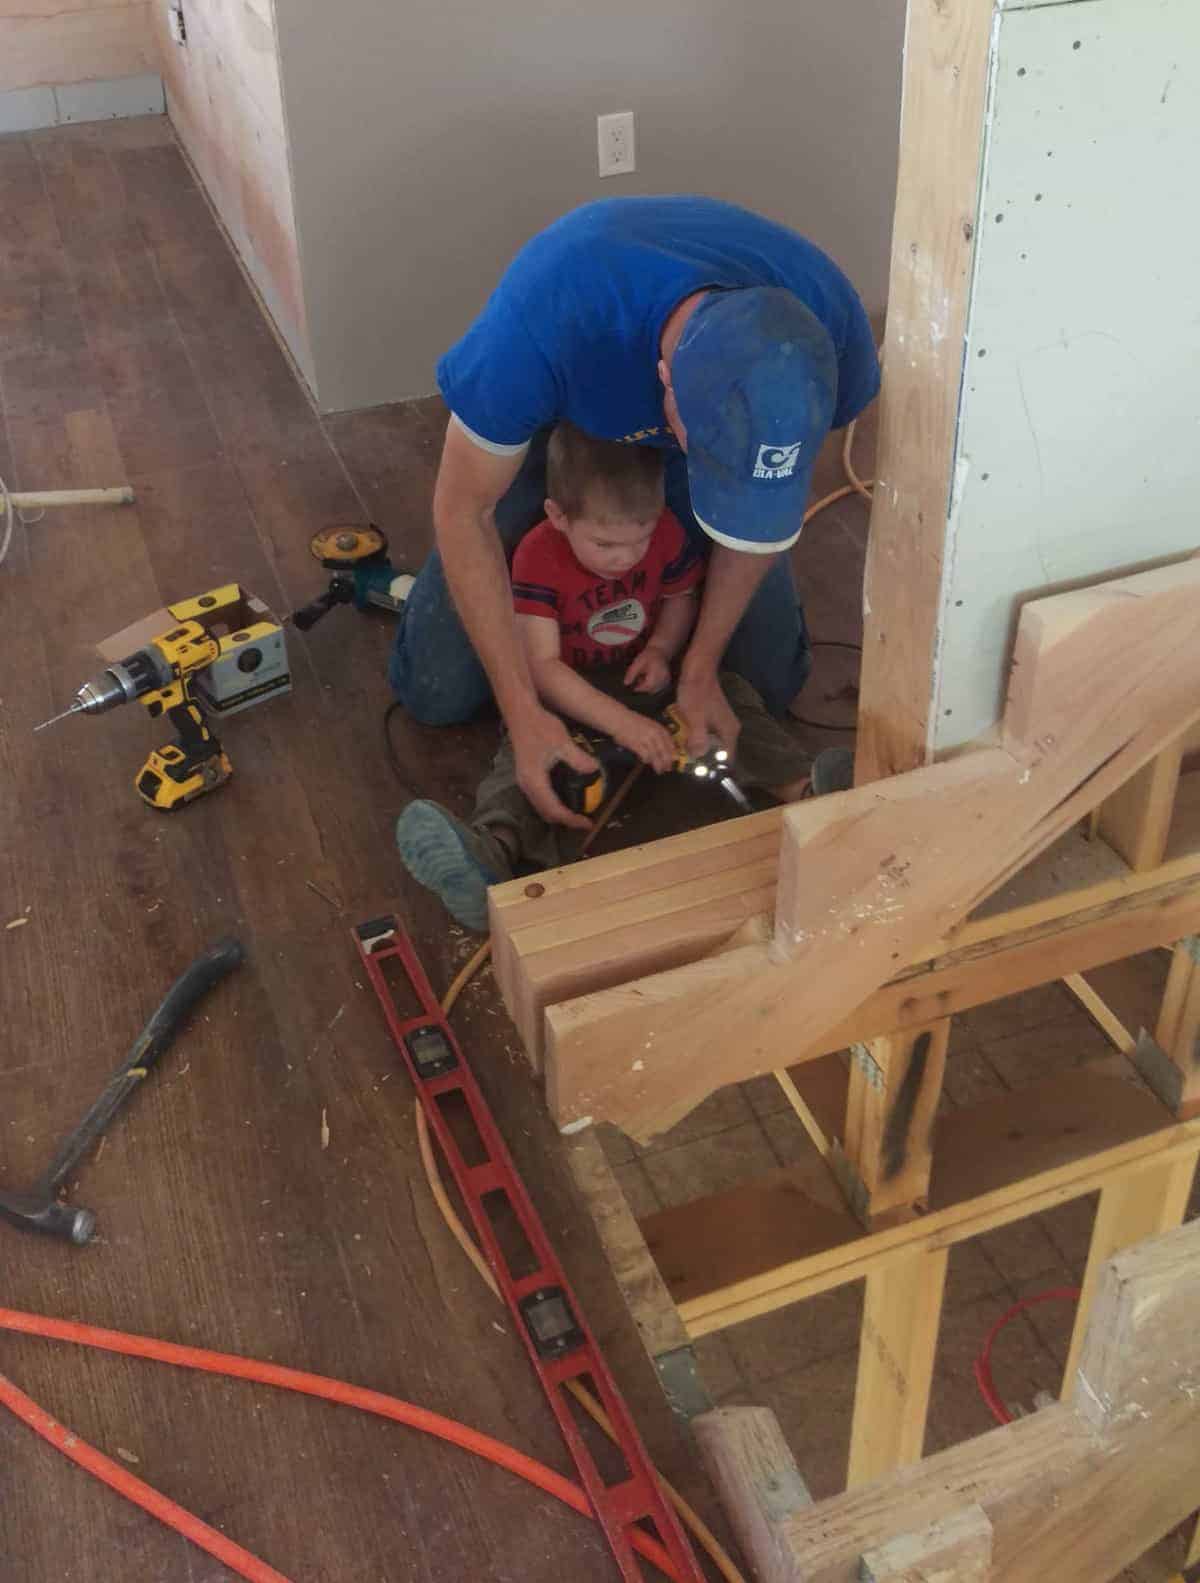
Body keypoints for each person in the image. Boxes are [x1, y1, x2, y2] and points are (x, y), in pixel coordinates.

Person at [388, 195, 880, 830]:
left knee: (772, 679)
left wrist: (698, 666)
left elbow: (765, 495)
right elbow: (463, 511)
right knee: (437, 690)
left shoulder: (828, 331)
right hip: (561, 439)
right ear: (666, 386)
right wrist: (523, 712)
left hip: (686, 435)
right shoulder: (545, 318)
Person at [396, 424, 835, 931]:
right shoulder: (536, 556)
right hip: (571, 696)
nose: (625, 558)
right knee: (531, 756)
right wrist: (623, 724)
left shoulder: (665, 530)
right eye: (605, 544)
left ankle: (809, 792)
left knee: (734, 698)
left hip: (646, 681)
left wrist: (662, 649)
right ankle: (492, 849)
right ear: (557, 517)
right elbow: (541, 667)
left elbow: (679, 596)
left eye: (640, 540)